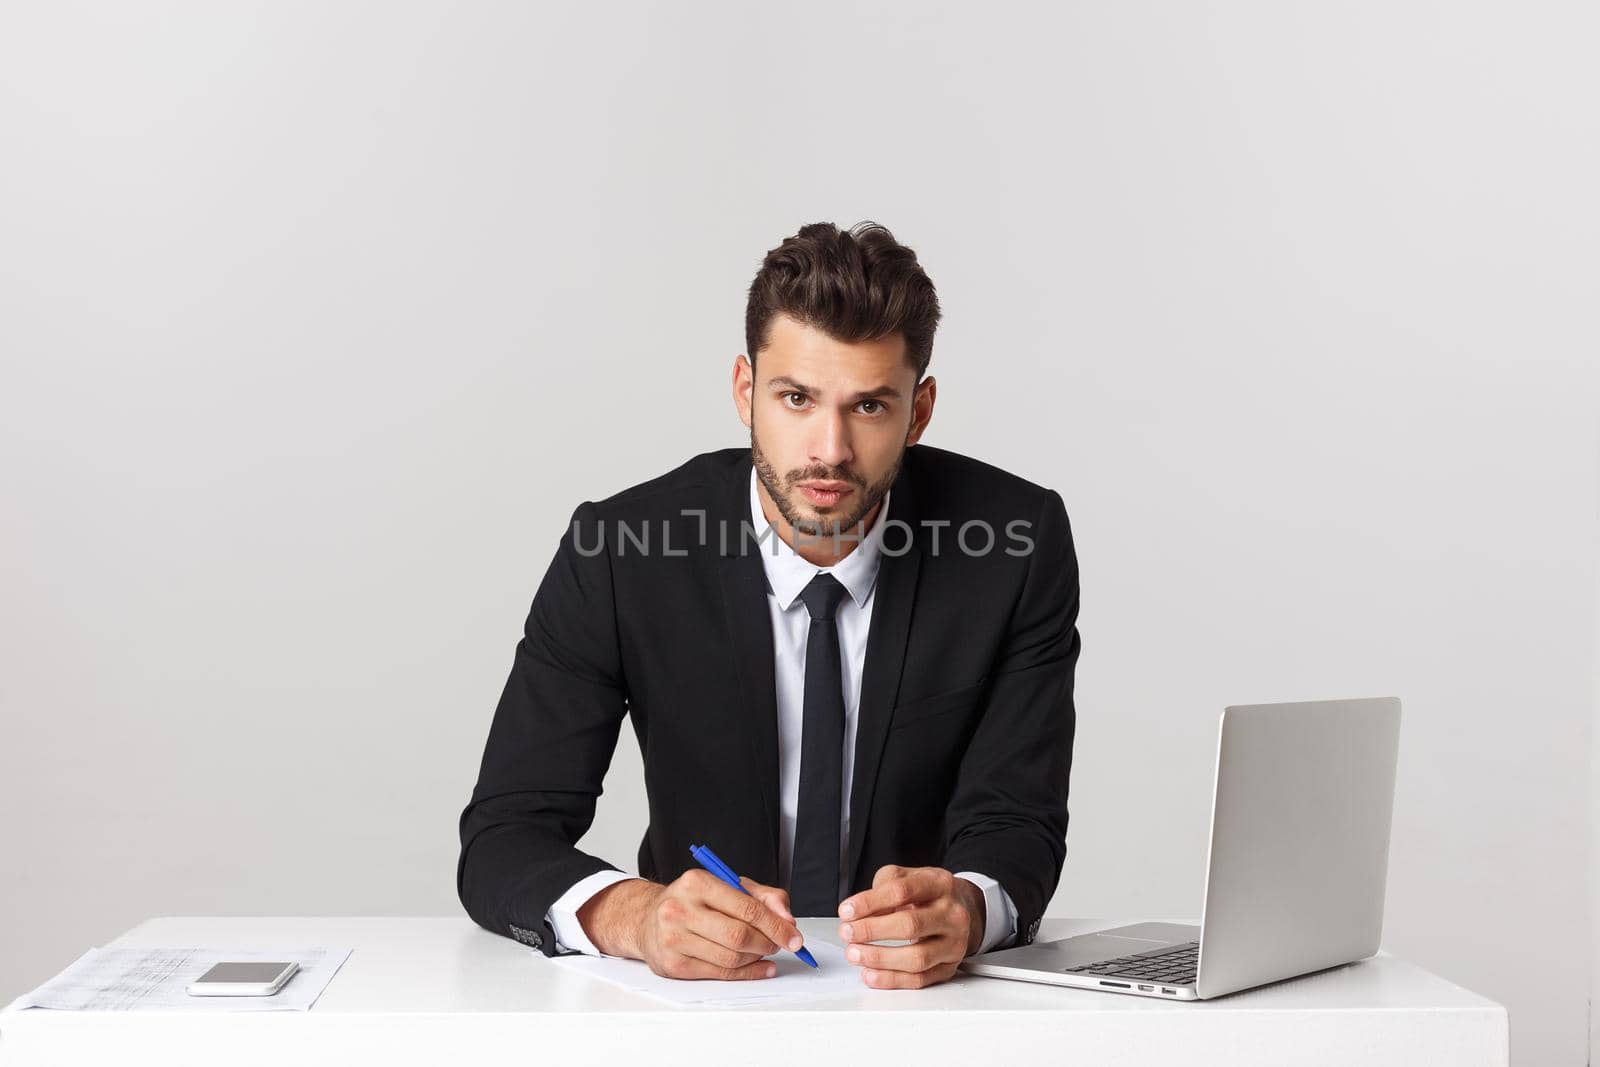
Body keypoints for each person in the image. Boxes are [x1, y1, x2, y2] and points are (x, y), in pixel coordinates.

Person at [457, 221, 1080, 989]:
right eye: (796, 398)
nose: (829, 449)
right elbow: (504, 835)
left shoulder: (1015, 546)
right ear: (746, 391)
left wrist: (969, 909)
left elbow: (1020, 822)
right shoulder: (620, 551)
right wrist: (637, 917)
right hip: (705, 1005)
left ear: (918, 412)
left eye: (870, 407)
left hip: (925, 1007)